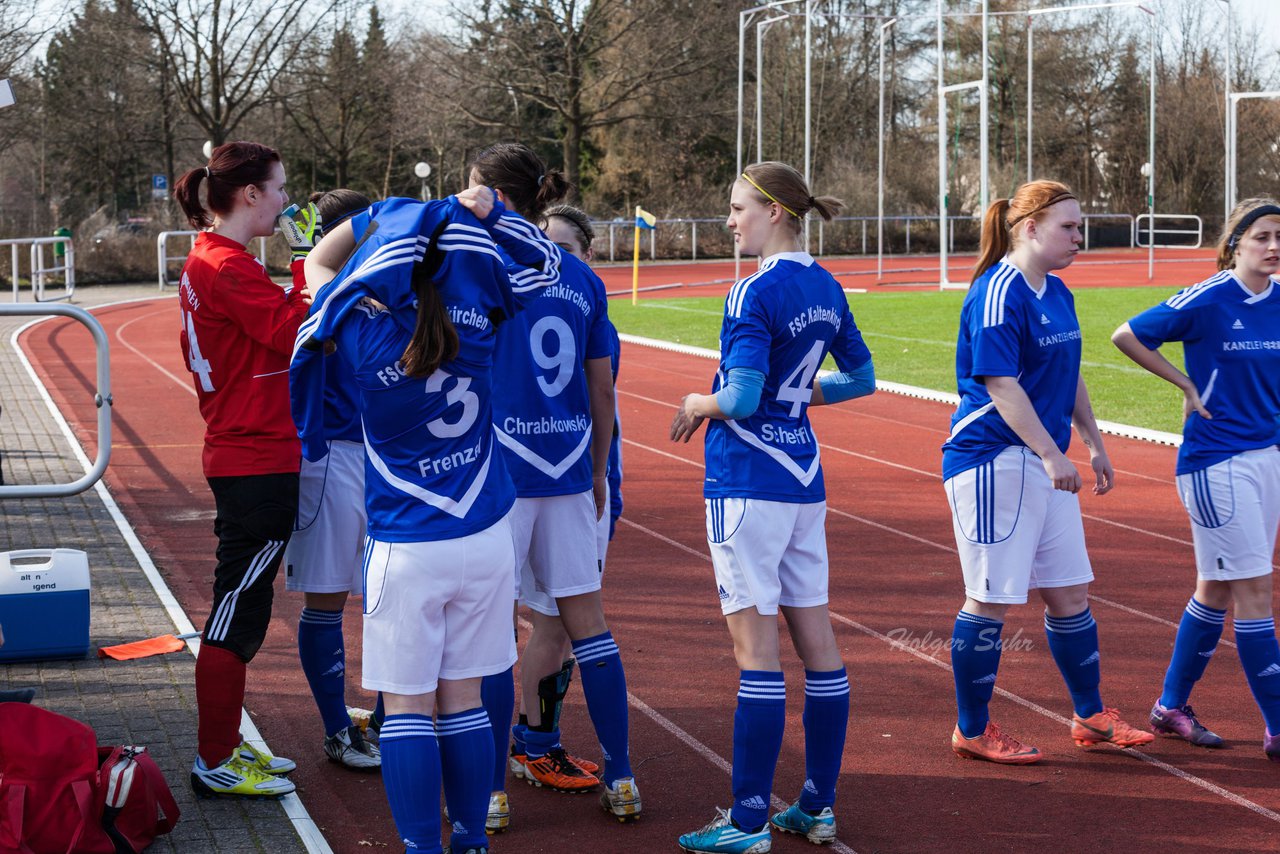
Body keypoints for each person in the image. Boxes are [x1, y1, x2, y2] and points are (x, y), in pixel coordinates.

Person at [295, 184, 561, 854]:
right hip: (483, 536)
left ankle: (422, 847)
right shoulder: (483, 315)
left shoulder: (358, 326)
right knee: (465, 700)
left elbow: (316, 265)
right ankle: (472, 840)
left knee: (408, 708)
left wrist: (374, 216)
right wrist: (492, 211)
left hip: (407, 541)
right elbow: (547, 264)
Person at [670, 161, 874, 854]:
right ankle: (817, 805)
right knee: (818, 644)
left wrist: (700, 403)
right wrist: (804, 398)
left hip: (747, 480)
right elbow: (864, 376)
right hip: (803, 479)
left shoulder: (751, 291)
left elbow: (741, 398)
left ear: (774, 213)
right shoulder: (825, 283)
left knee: (756, 652)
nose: (730, 221)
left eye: (737, 209)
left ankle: (749, 820)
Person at [941, 179, 1153, 767]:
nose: (1079, 237)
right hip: (993, 461)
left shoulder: (1057, 292)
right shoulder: (997, 290)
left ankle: (1090, 715)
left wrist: (1093, 442)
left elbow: (1070, 372)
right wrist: (1050, 453)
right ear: (1029, 228)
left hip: (1043, 461)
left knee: (1070, 594)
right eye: (1069, 226)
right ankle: (972, 728)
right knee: (989, 600)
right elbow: (1000, 384)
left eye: (1080, 227)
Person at [470, 144, 640, 826]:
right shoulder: (581, 276)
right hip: (569, 470)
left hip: (502, 473)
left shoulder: (482, 265)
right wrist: (598, 471)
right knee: (588, 626)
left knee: (487, 635)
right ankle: (622, 777)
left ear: (498, 197)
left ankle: (489, 794)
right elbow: (603, 387)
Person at [1111, 198, 1280, 759]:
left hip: (1265, 459)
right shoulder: (1209, 297)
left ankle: (1169, 707)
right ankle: (1278, 726)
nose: (1274, 246)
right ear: (1236, 243)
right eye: (1262, 236)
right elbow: (1128, 334)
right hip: (1215, 463)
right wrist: (1184, 385)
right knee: (1255, 591)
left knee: (1217, 588)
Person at [173, 140, 308, 799]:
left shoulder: (215, 256)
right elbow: (298, 332)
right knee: (235, 614)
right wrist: (310, 263)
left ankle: (223, 747)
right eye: (279, 188)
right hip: (253, 455)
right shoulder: (224, 264)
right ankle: (213, 761)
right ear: (250, 194)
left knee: (244, 607)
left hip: (251, 449)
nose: (286, 200)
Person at [279, 189, 384, 771]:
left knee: (393, 594)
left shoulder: (388, 282)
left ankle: (392, 716)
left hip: (390, 456)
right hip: (333, 457)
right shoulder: (315, 293)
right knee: (327, 598)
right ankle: (337, 729)